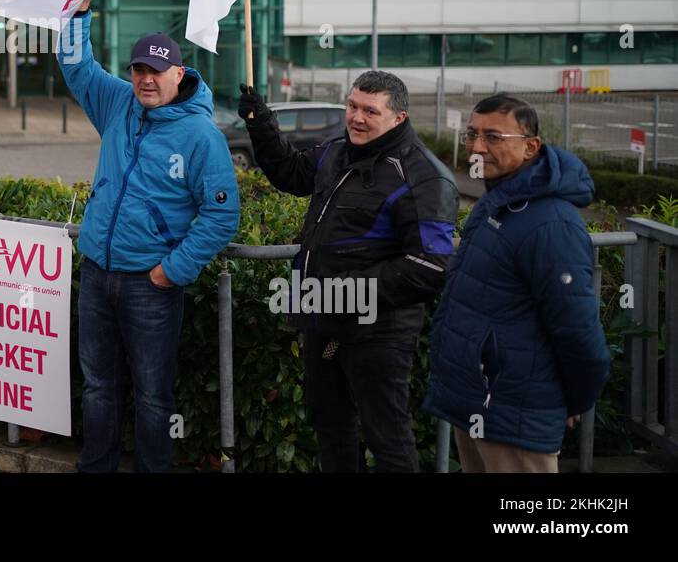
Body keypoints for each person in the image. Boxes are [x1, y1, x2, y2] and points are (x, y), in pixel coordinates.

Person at [57, 0, 240, 472]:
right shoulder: (119, 103)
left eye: (157, 71)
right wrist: (79, 10)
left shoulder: (201, 135)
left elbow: (222, 214)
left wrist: (171, 272)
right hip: (97, 273)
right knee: (98, 386)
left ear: (179, 74)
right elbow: (76, 67)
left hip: (151, 286)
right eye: (139, 69)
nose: (146, 80)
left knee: (154, 396)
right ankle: (97, 467)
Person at [238, 70, 457, 472]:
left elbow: (430, 265)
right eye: (352, 106)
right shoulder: (337, 151)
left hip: (379, 333)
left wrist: (345, 292)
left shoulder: (424, 176)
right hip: (324, 323)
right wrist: (261, 124)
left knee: (387, 437)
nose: (356, 117)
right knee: (331, 425)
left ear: (398, 118)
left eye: (370, 111)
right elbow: (291, 173)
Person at [424, 95, 611, 473]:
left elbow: (577, 329)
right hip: (481, 405)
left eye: (493, 137)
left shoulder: (551, 223)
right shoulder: (497, 202)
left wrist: (575, 400)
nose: (477, 147)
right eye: (472, 135)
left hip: (516, 414)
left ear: (530, 147)